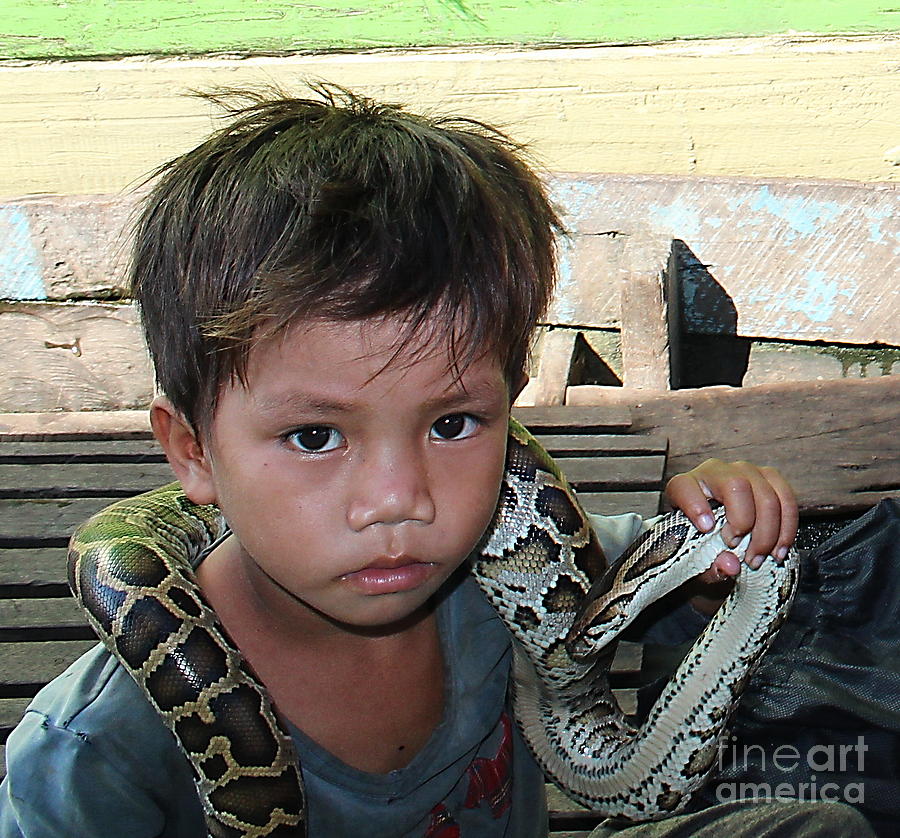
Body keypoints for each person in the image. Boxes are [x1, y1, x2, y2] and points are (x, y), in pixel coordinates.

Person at [0, 85, 874, 837]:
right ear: (190, 450)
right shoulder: (90, 759)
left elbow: (643, 573)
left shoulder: (492, 570)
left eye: (452, 423)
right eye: (316, 436)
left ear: (512, 400)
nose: (399, 500)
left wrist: (714, 543)